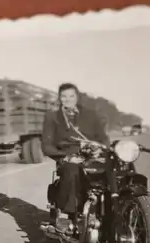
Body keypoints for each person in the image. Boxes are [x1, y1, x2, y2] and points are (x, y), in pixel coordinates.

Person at [41, 83, 111, 230]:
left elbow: (103, 138)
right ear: (59, 98)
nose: (68, 99)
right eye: (64, 96)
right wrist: (66, 157)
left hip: (93, 156)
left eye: (71, 96)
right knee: (73, 170)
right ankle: (69, 216)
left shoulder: (91, 114)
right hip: (68, 158)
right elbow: (47, 146)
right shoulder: (52, 117)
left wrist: (99, 149)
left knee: (115, 167)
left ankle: (117, 210)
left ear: (77, 97)